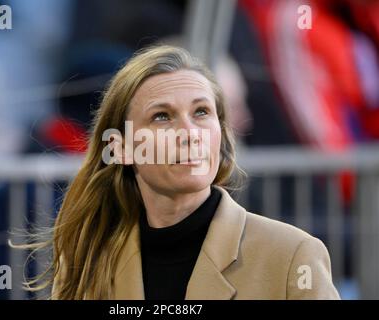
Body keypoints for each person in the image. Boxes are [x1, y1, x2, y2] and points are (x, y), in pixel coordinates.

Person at [24, 45, 340, 300]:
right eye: (162, 117)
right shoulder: (88, 260)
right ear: (120, 147)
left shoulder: (291, 256)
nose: (190, 132)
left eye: (202, 112)